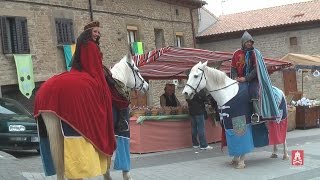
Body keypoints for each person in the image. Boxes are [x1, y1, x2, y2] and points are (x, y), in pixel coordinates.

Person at [34, 20, 116, 179]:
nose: (97, 34)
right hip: (90, 74)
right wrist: (102, 84)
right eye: (95, 32)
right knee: (104, 95)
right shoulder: (91, 46)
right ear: (88, 32)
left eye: (99, 32)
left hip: (77, 71)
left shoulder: (81, 44)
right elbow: (94, 68)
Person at [230, 31, 260, 122]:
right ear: (243, 42)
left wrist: (246, 78)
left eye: (250, 42)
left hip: (252, 79)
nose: (249, 43)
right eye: (247, 42)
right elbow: (233, 68)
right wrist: (235, 78)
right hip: (239, 79)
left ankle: (256, 114)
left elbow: (256, 69)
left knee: (253, 91)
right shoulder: (236, 53)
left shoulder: (254, 53)